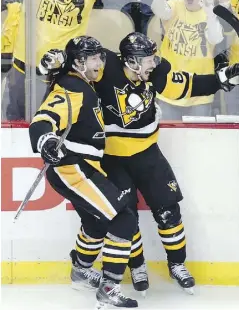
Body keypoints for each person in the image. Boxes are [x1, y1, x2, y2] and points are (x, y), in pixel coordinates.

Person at [39, 31, 239, 295]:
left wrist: (224, 78)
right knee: (125, 215)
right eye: (148, 58)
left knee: (168, 210)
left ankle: (177, 264)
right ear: (130, 61)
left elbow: (187, 85)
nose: (154, 62)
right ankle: (137, 265)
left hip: (147, 153)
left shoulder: (157, 71)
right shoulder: (104, 66)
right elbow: (73, 65)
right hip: (112, 159)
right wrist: (52, 63)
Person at [29, 36, 138, 308]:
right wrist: (46, 140)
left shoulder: (82, 84)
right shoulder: (72, 86)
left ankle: (81, 270)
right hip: (72, 168)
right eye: (94, 58)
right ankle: (109, 287)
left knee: (96, 223)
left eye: (100, 57)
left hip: (81, 167)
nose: (100, 62)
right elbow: (44, 119)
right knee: (123, 218)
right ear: (78, 62)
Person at [151, 0, 228, 119]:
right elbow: (157, 9)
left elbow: (216, 38)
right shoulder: (175, 6)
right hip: (169, 90)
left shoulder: (210, 13)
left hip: (199, 94)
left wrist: (210, 11)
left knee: (199, 141)